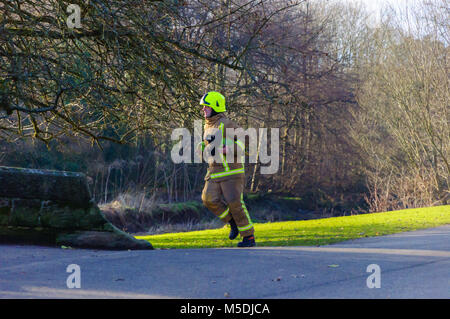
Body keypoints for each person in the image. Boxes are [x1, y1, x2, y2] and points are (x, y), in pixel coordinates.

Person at [197, 91, 256, 247]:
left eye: (206, 107)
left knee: (234, 202)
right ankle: (232, 223)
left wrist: (228, 149)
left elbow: (246, 139)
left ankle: (248, 237)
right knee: (208, 199)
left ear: (216, 107)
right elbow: (209, 146)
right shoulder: (207, 126)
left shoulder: (226, 123)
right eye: (203, 108)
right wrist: (202, 148)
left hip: (231, 172)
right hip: (214, 171)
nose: (203, 110)